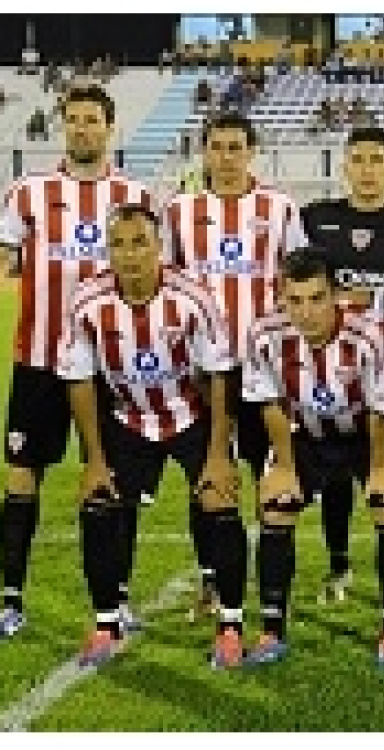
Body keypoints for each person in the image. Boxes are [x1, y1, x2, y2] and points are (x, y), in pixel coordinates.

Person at [56, 204, 244, 669]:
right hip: (128, 418)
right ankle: (107, 622)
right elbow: (78, 380)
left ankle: (231, 625)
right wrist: (93, 459)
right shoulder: (87, 302)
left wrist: (219, 455)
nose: (129, 254)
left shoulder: (192, 296)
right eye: (118, 244)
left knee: (218, 501)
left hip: (190, 414)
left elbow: (221, 376)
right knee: (99, 503)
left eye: (140, 242)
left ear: (159, 246)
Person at [0, 86, 153, 640]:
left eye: (92, 119)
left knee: (114, 477)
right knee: (23, 474)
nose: (82, 128)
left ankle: (117, 597)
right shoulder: (28, 192)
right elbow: (5, 258)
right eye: (74, 119)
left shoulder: (135, 194)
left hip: (113, 365)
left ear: (111, 127)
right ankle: (10, 597)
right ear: (63, 125)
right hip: (40, 360)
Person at [163, 112, 306, 622]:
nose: (226, 157)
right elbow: (169, 285)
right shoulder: (180, 211)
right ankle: (211, 578)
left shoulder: (280, 208)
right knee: (209, 476)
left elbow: (299, 281)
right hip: (202, 373)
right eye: (217, 147)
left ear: (251, 151)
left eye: (235, 147)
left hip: (266, 369)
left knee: (271, 475)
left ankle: (272, 586)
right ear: (204, 152)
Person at [242, 249, 384, 668]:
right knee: (276, 503)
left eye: (317, 298)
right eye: (295, 300)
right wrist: (284, 468)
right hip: (305, 435)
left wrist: (380, 469)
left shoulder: (369, 334)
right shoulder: (263, 334)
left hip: (365, 434)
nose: (306, 312)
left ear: (336, 295)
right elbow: (269, 404)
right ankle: (272, 632)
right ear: (281, 297)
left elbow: (382, 409)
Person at [300, 127, 384, 604]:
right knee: (336, 473)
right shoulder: (316, 220)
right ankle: (339, 566)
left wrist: (372, 298)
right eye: (358, 159)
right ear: (344, 167)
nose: (367, 169)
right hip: (333, 370)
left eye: (377, 159)